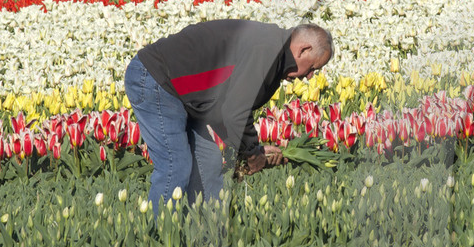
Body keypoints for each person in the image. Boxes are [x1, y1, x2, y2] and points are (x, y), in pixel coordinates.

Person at [123, 20, 333, 210]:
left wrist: (252, 149)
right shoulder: (268, 50)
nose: (309, 76)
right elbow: (235, 111)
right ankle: (157, 240)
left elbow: (223, 108)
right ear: (303, 49)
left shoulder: (272, 49)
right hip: (157, 80)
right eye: (313, 68)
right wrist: (252, 154)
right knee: (175, 166)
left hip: (186, 95)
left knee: (210, 162)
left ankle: (204, 236)